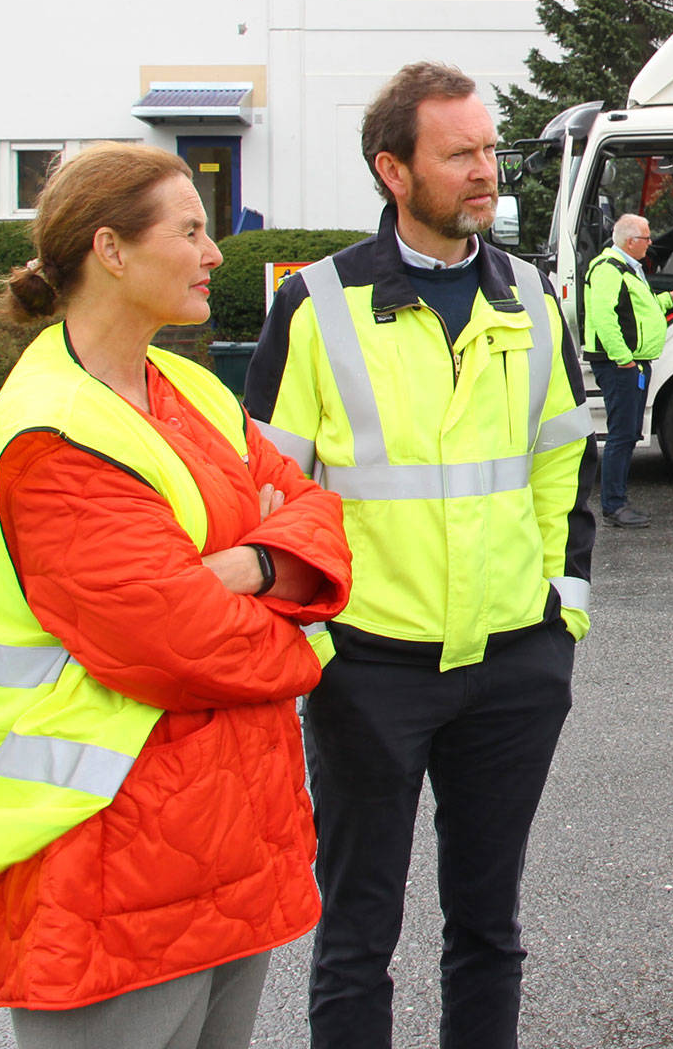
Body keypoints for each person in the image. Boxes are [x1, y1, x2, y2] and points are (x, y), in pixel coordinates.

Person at [0, 142, 352, 1049]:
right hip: (106, 873)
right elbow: (186, 643)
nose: (215, 254)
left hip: (225, 846)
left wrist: (253, 567)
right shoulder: (54, 434)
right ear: (111, 249)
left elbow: (318, 518)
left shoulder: (184, 386)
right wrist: (289, 623)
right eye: (190, 231)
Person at [244, 61, 597, 1049]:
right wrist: (313, 647)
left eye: (489, 150)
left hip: (512, 667)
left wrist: (558, 617)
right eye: (461, 155)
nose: (486, 172)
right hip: (368, 669)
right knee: (358, 935)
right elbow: (268, 496)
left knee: (489, 930)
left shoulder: (531, 295)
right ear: (393, 171)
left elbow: (562, 464)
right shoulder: (315, 307)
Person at [582, 211, 673, 528]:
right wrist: (623, 359)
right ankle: (614, 506)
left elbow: (638, 309)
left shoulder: (626, 267)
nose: (650, 243)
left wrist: (668, 300)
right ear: (631, 241)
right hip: (621, 365)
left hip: (629, 363)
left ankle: (617, 503)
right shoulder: (608, 269)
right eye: (646, 237)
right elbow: (604, 318)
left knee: (628, 433)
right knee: (622, 435)